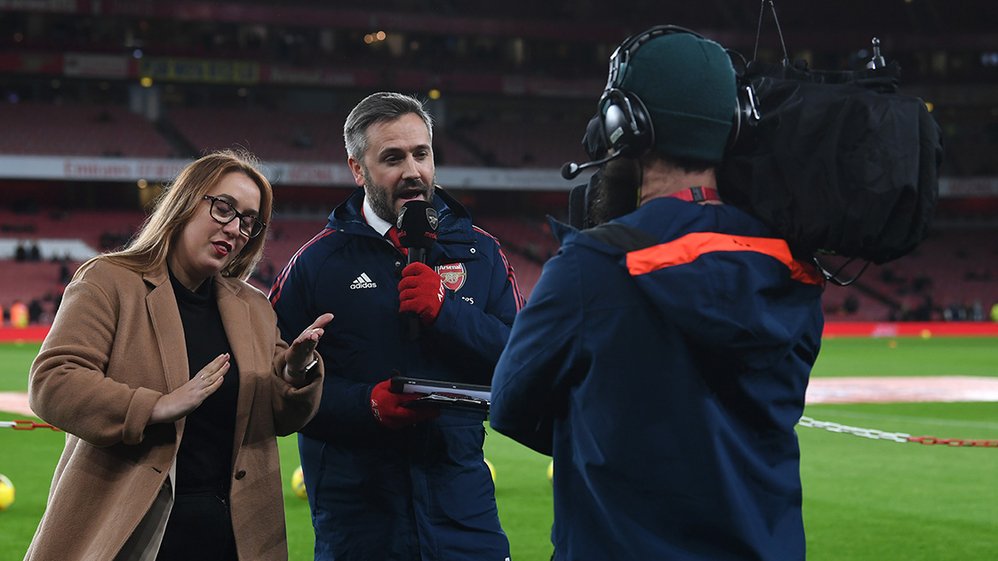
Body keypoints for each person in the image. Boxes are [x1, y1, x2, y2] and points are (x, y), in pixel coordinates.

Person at [490, 27, 826, 561]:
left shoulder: (589, 267)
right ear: (732, 125)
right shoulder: (794, 265)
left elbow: (509, 405)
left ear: (623, 124)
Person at [26, 150, 333, 561]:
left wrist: (297, 374)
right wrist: (155, 406)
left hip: (232, 536)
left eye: (248, 220)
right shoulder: (109, 281)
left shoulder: (255, 308)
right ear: (186, 202)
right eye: (224, 208)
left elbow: (279, 416)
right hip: (131, 529)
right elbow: (53, 382)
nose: (236, 229)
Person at [270, 92, 521, 561]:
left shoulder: (482, 254)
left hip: (463, 518)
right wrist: (365, 405)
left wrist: (449, 313)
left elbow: (522, 361)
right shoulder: (316, 264)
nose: (413, 171)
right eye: (392, 157)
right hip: (359, 526)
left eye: (421, 153)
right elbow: (271, 389)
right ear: (357, 169)